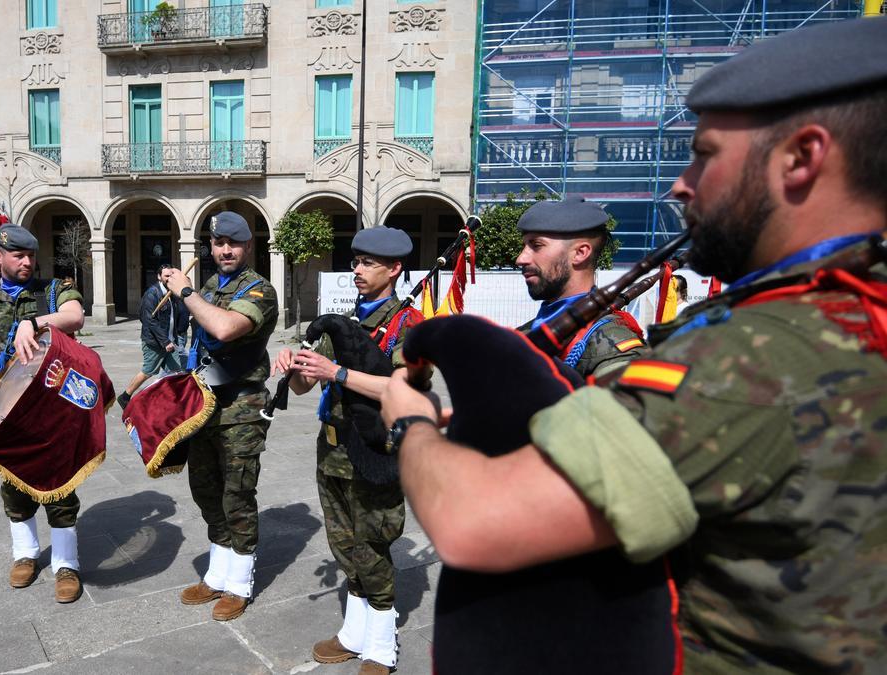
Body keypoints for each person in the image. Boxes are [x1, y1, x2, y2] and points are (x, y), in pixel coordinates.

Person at [380, 17, 887, 673]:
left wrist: (409, 424)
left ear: (802, 157)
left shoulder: (751, 358)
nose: (681, 182)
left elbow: (475, 519)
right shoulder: (852, 316)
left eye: (704, 153)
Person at [272, 227, 416, 674]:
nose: (357, 269)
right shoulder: (344, 322)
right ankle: (355, 633)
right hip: (331, 449)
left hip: (375, 449)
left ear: (394, 269)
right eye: (355, 261)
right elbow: (302, 387)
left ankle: (381, 645)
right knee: (344, 545)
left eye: (369, 263)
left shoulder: (408, 326)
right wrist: (295, 364)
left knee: (372, 547)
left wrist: (337, 372)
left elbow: (402, 388)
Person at [0, 223, 87, 604]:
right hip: (8, 405)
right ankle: (26, 555)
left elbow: (75, 315)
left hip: (53, 404)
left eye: (31, 255)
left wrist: (34, 321)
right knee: (13, 483)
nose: (28, 262)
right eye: (19, 256)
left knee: (61, 483)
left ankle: (67, 563)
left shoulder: (52, 289)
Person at [163, 211, 278, 622]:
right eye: (218, 243)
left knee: (237, 495)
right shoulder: (212, 284)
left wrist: (187, 292)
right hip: (204, 405)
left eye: (234, 243)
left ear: (248, 247)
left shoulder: (260, 289)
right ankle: (218, 573)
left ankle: (241, 583)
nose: (225, 250)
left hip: (241, 408)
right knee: (206, 490)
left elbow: (227, 328)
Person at [515, 196, 649, 378]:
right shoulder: (524, 334)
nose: (521, 259)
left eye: (536, 245)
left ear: (580, 253)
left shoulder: (613, 348)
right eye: (524, 246)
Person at [117, 264, 189, 409]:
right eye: (166, 276)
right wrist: (164, 341)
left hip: (170, 341)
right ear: (159, 276)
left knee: (176, 371)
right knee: (148, 371)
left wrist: (173, 338)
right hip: (155, 343)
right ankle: (125, 396)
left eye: (171, 276)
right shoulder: (152, 294)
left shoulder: (171, 293)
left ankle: (174, 401)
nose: (169, 279)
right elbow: (148, 320)